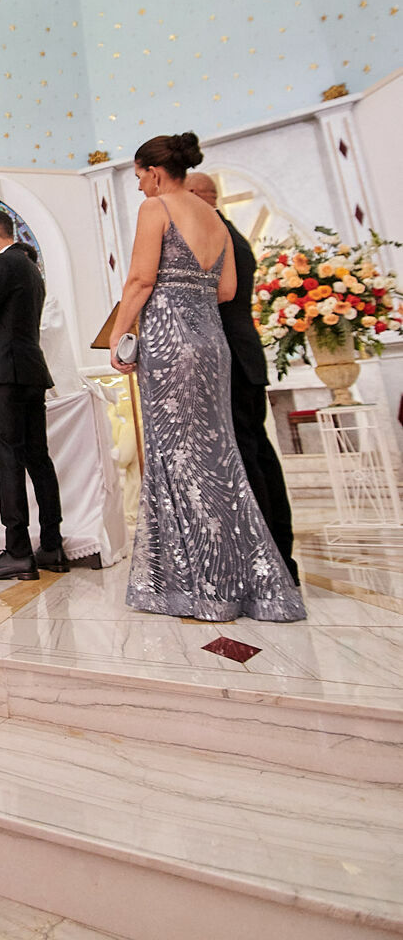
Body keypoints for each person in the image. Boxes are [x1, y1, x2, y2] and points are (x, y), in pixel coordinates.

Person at [109, 133, 304, 622]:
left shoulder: (156, 209)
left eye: (137, 177)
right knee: (219, 458)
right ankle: (248, 580)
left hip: (171, 340)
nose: (137, 187)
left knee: (176, 456)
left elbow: (139, 280)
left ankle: (199, 584)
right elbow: (228, 289)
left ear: (154, 172)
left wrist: (118, 334)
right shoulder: (214, 217)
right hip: (213, 343)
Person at [188, 172, 299, 586]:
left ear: (199, 196)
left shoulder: (215, 235)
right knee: (259, 455)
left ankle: (268, 561)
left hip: (230, 359)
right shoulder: (232, 233)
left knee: (247, 458)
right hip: (244, 355)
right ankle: (279, 556)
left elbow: (214, 296)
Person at [0, 209, 67, 580]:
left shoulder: (3, 264)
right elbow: (7, 317)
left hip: (5, 375)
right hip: (31, 371)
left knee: (8, 460)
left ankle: (18, 551)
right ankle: (52, 544)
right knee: (38, 457)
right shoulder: (30, 268)